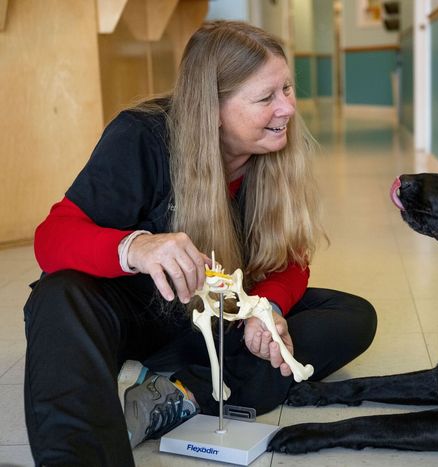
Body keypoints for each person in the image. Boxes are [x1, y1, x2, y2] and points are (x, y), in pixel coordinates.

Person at [23, 20, 377, 467]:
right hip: (130, 316)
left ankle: (178, 394)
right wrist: (136, 247)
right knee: (58, 298)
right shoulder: (142, 136)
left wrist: (268, 308)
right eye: (266, 98)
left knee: (353, 315)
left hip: (208, 325)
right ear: (211, 107)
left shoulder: (275, 152)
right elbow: (51, 239)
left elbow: (291, 259)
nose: (287, 108)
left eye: (287, 89)